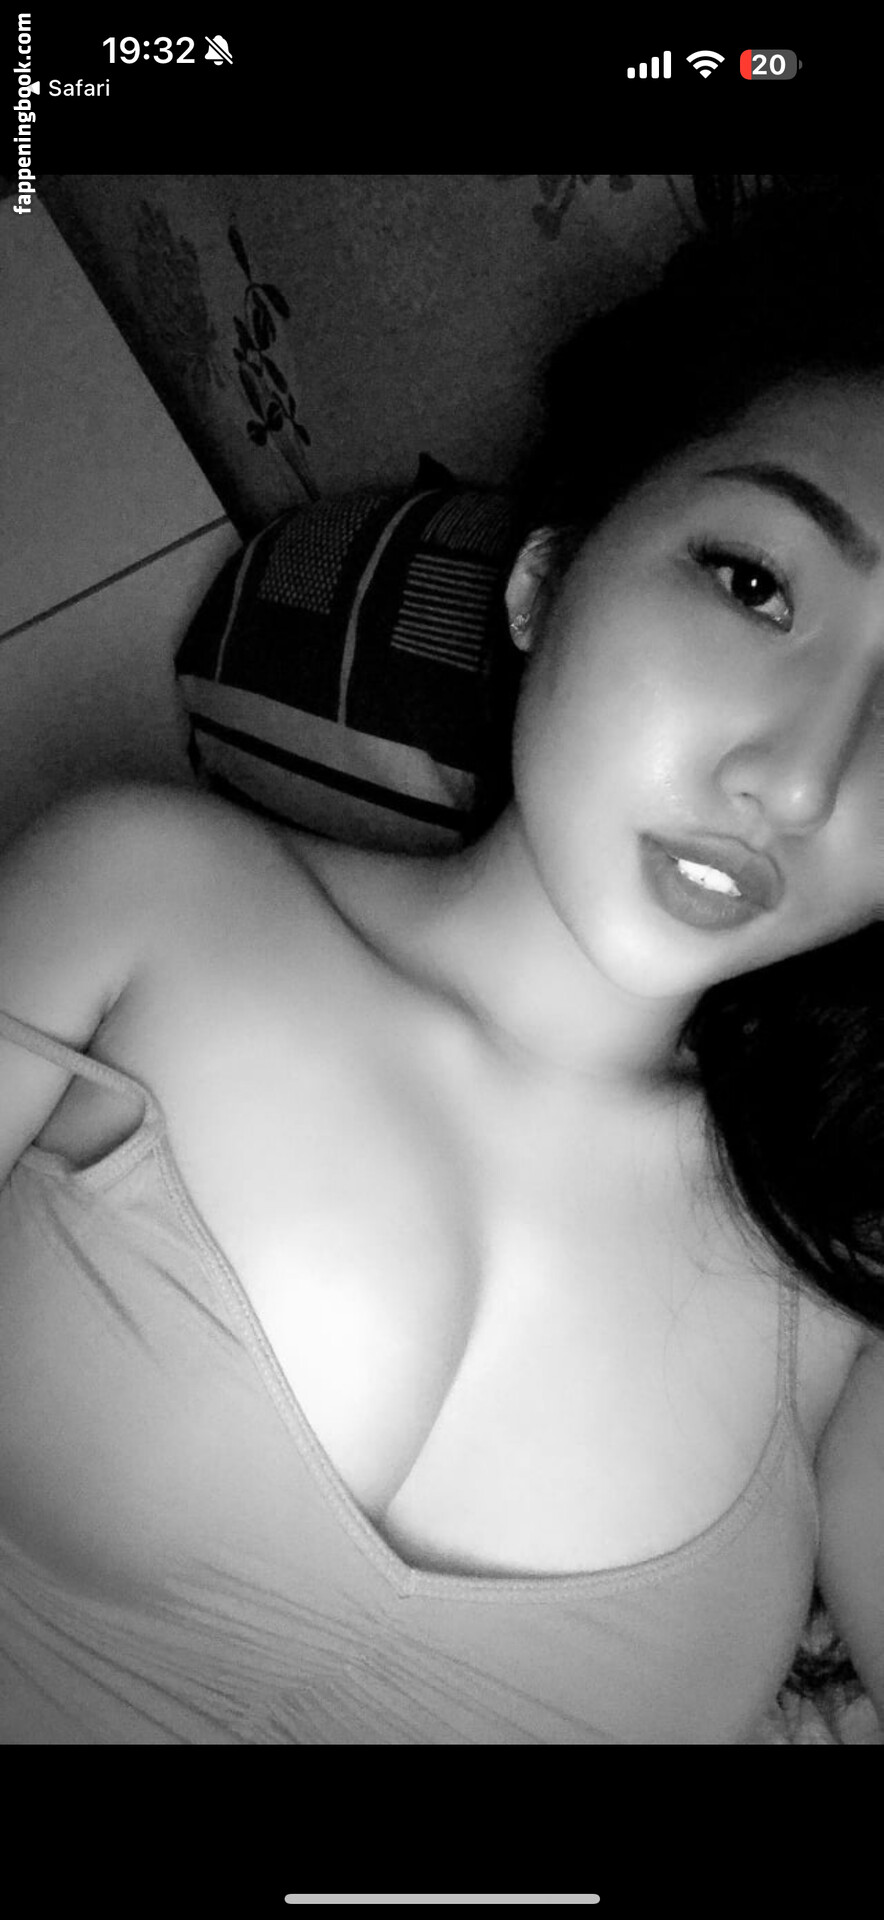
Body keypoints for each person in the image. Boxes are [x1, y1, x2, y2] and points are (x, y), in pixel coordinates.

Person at [0, 178, 881, 1744]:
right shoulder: (142, 894)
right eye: (753, 585)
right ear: (545, 580)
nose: (801, 778)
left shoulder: (844, 1283)